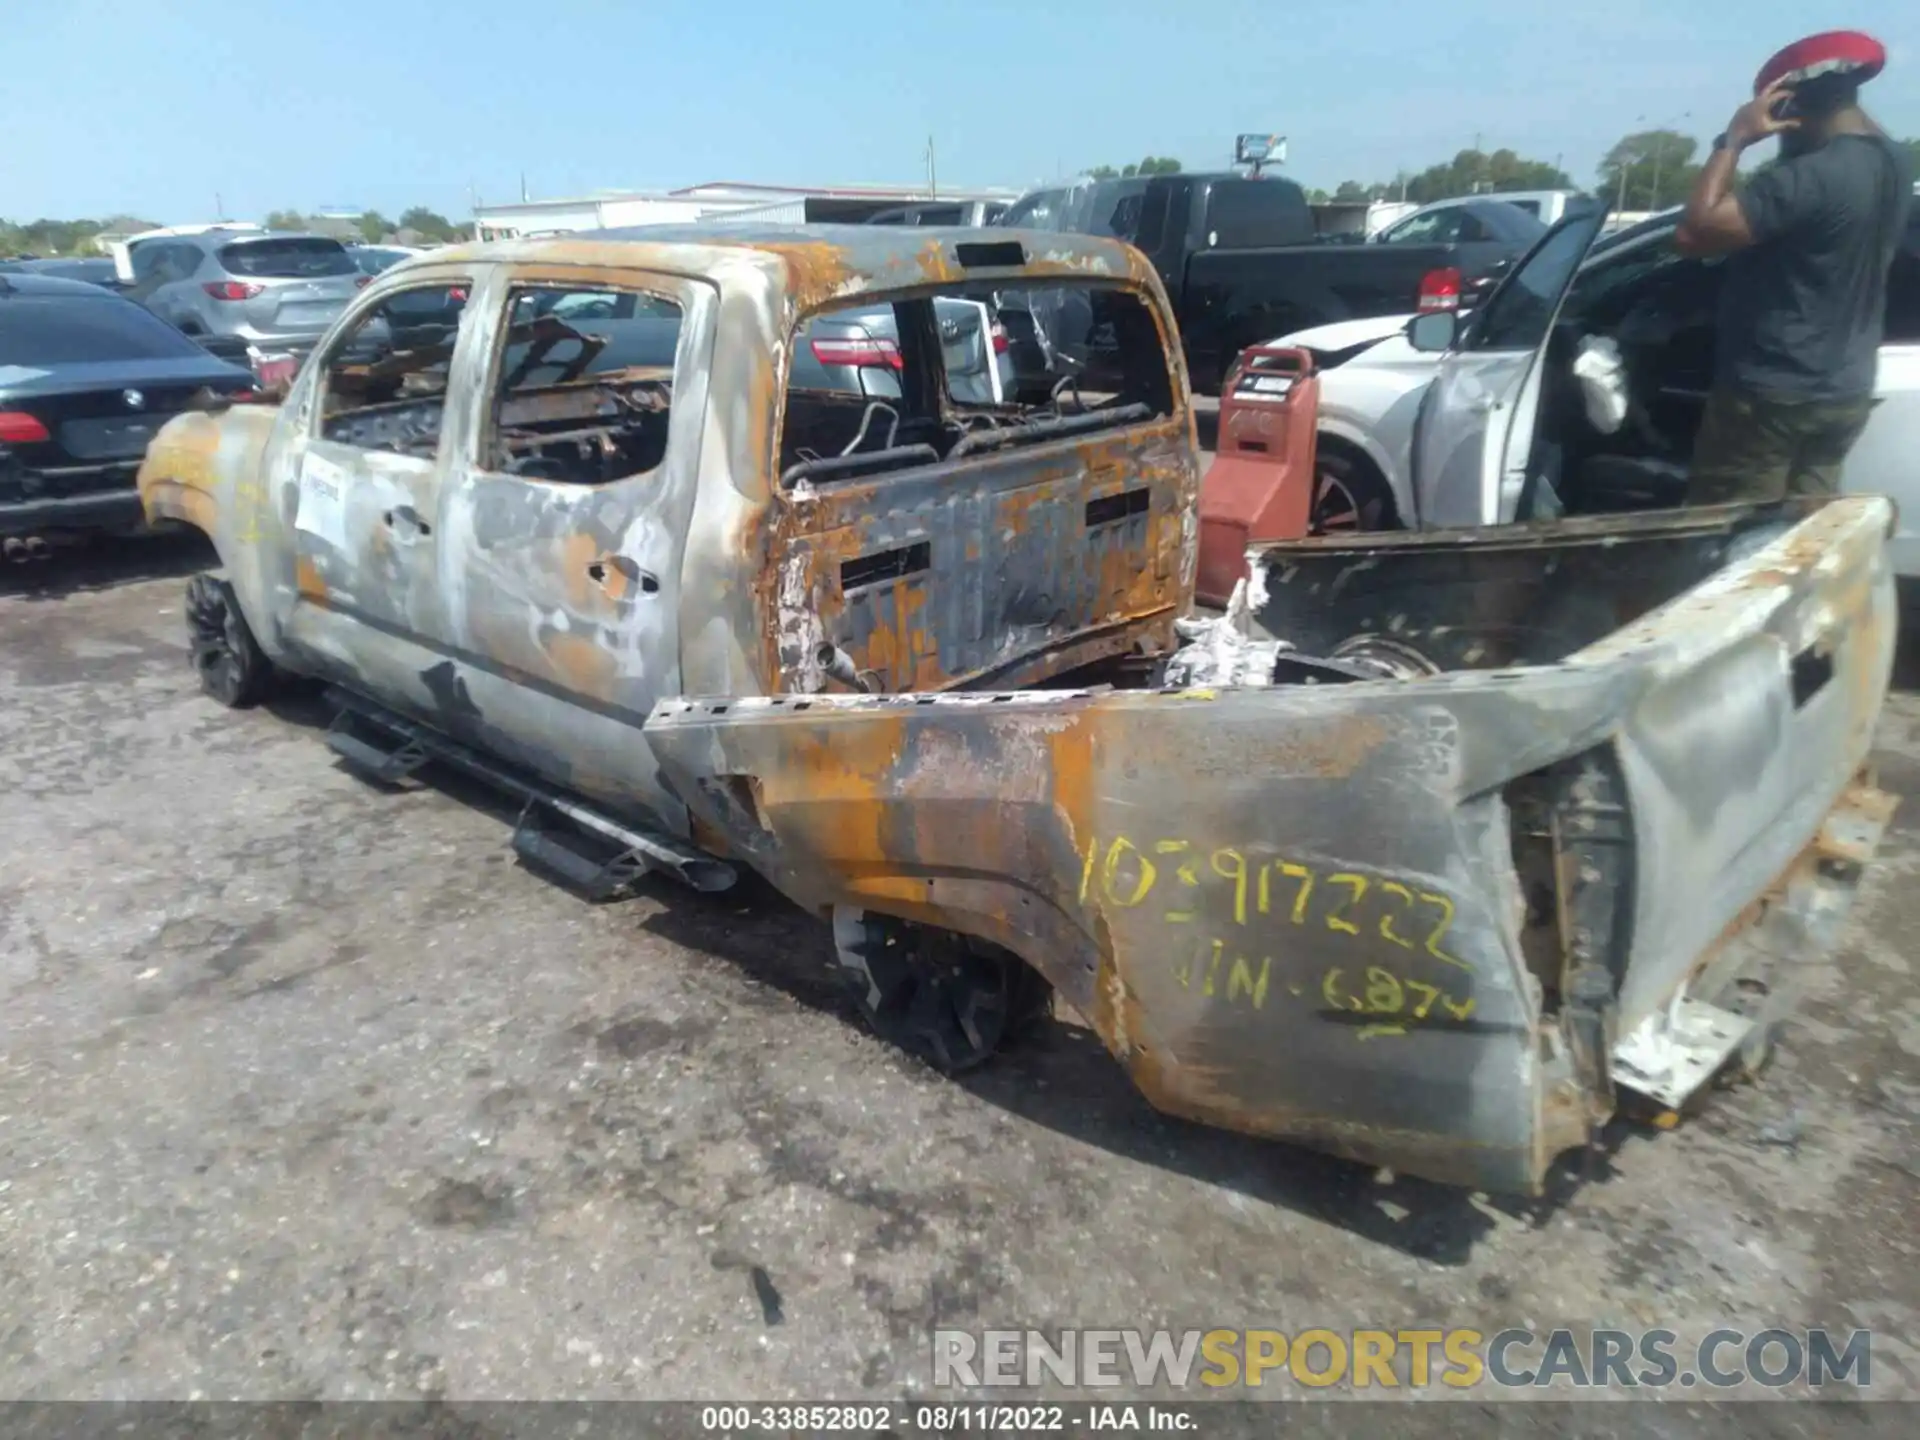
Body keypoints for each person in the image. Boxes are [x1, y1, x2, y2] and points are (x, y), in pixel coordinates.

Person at [1675, 32, 1913, 505]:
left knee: (1734, 540)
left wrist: (1735, 138)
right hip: (1845, 392)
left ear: (1788, 104)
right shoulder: (1895, 163)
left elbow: (1693, 235)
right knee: (1806, 536)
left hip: (1773, 398)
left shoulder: (1808, 178)